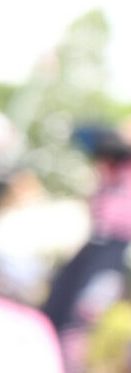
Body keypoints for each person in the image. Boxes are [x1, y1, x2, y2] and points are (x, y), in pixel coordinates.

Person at [41, 119, 131, 338]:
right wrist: (119, 134)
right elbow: (82, 131)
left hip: (116, 244)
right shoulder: (113, 157)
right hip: (96, 239)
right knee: (60, 293)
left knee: (81, 307)